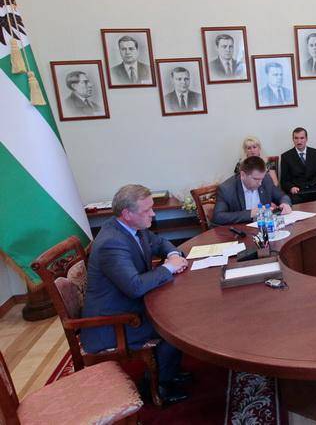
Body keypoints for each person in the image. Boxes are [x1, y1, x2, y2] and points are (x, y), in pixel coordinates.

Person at [82, 185, 190, 405]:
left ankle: (169, 372)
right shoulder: (111, 243)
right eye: (147, 210)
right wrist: (169, 267)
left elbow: (160, 242)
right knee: (175, 325)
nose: (153, 214)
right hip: (112, 322)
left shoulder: (133, 227)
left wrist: (172, 254)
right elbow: (134, 287)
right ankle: (159, 386)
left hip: (129, 305)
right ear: (127, 214)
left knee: (179, 311)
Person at [213, 156, 291, 225]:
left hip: (264, 226)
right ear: (243, 175)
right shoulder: (226, 189)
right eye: (256, 179)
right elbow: (218, 217)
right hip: (240, 230)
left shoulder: (266, 179)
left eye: (261, 179)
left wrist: (285, 203)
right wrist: (250, 213)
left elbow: (282, 196)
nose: (260, 183)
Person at [279, 127, 316, 204]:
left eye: (302, 138)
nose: (299, 141)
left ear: (306, 139)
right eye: (296, 138)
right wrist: (291, 188)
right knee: (293, 201)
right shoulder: (286, 157)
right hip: (298, 192)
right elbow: (284, 180)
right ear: (293, 139)